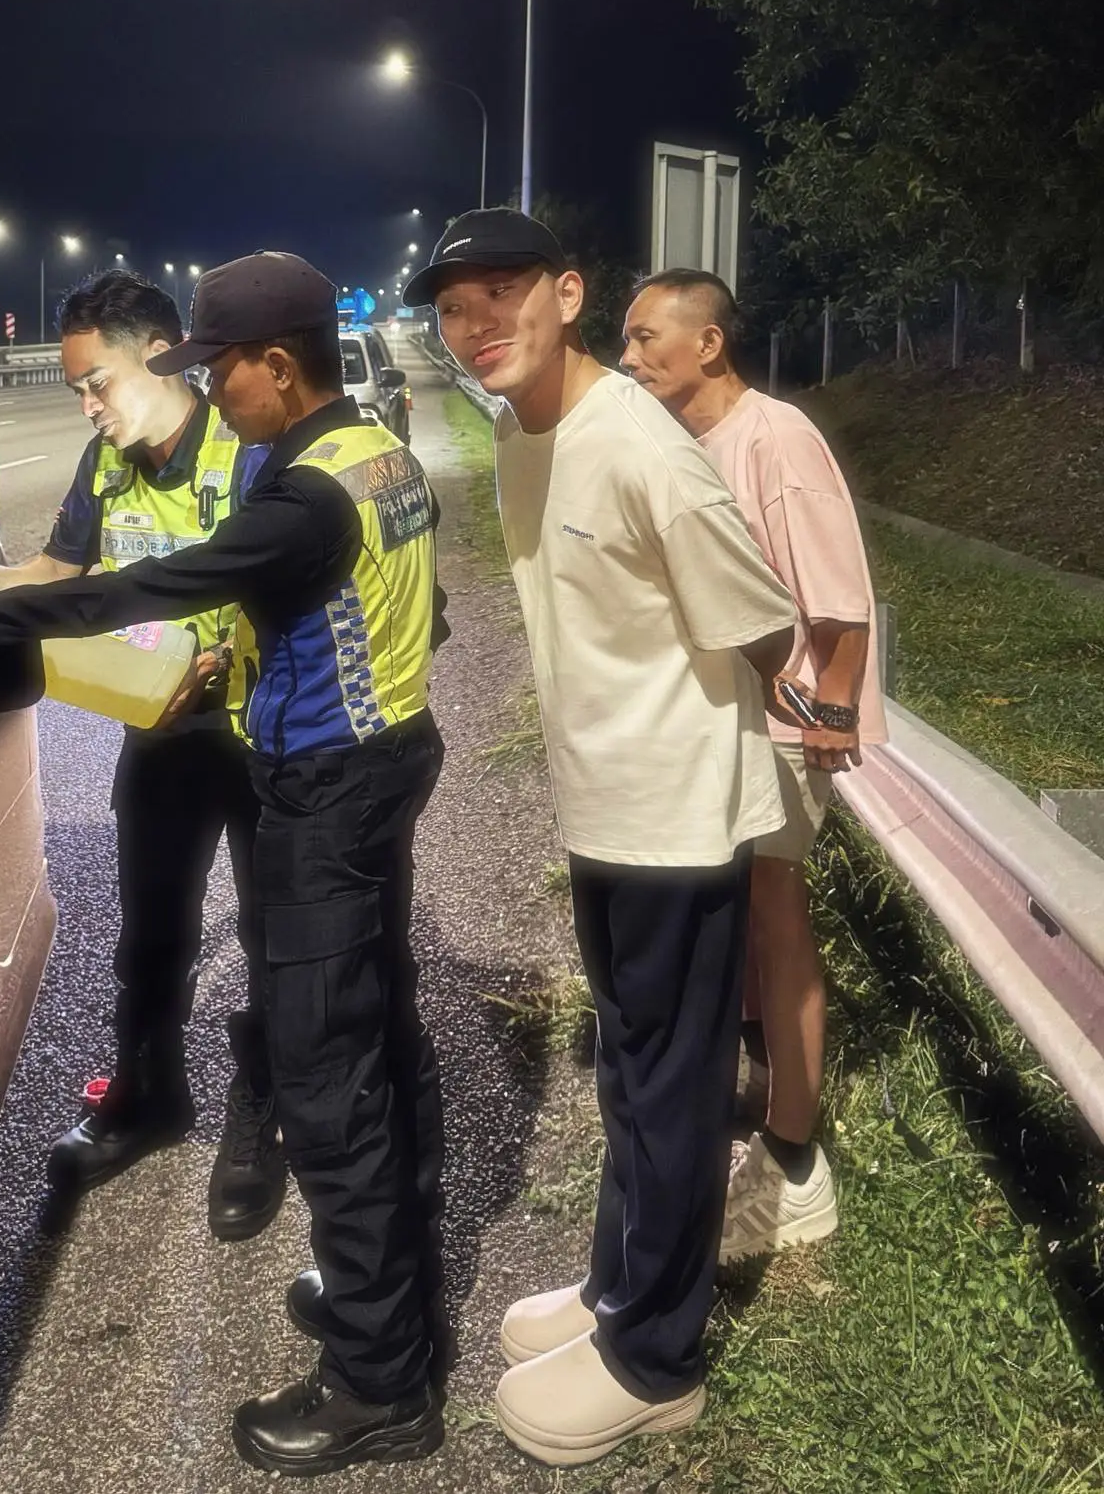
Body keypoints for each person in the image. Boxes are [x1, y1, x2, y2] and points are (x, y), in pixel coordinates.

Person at [0, 252, 451, 1476]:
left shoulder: (298, 491)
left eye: (224, 367)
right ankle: (380, 1302)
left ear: (275, 366)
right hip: (379, 759)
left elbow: (151, 586)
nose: (217, 391)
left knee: (329, 1084)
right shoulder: (377, 455)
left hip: (319, 791)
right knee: (368, 1040)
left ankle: (381, 1381)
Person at [416, 209, 799, 1470]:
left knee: (674, 1091)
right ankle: (614, 1289)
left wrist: (703, 742)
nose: (476, 327)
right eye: (453, 308)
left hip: (680, 817)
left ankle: (658, 1359)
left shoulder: (639, 446)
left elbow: (765, 624)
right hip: (602, 811)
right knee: (630, 1077)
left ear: (569, 294)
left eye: (501, 295)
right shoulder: (526, 431)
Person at [0, 270, 284, 1238]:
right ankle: (147, 1094)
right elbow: (63, 572)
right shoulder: (107, 461)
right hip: (159, 733)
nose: (87, 405)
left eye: (99, 382)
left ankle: (260, 1113)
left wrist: (226, 658)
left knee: (271, 939)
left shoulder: (249, 450)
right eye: (77, 389)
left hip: (260, 738)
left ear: (166, 356)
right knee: (152, 935)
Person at [622, 269, 886, 1262]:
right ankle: (764, 1082)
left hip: (787, 719)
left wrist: (829, 709)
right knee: (740, 914)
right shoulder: (693, 440)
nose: (630, 356)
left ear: (708, 345)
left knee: (778, 919)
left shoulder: (775, 437)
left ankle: (793, 1153)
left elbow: (841, 597)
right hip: (727, 721)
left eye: (648, 338)